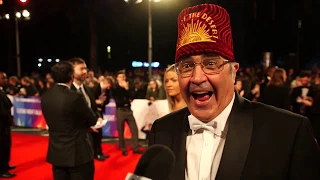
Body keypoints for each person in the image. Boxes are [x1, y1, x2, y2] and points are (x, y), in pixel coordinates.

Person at [148, 4, 320, 180]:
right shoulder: (161, 130)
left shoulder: (288, 133)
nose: (197, 78)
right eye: (186, 66)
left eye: (211, 64)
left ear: (233, 72)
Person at [41, 61, 103, 180]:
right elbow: (92, 120)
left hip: (57, 153)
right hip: (78, 154)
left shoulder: (46, 96)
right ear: (71, 76)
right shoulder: (74, 97)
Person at [68, 58, 109, 161]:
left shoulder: (88, 89)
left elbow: (93, 108)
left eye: (85, 69)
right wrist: (87, 125)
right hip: (75, 140)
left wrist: (98, 118)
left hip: (90, 135)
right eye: (81, 69)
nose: (84, 72)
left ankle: (97, 153)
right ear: (72, 71)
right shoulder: (67, 91)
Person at [112, 71, 142, 156]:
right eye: (120, 77)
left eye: (123, 77)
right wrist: (126, 100)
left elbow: (132, 96)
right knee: (120, 130)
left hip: (129, 110)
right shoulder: (115, 88)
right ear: (117, 78)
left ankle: (136, 148)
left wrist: (127, 88)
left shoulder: (128, 86)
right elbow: (118, 100)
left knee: (134, 129)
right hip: (120, 110)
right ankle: (123, 148)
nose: (122, 78)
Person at [0, 72, 16, 178]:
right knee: (2, 147)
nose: (5, 80)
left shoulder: (2, 90)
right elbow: (2, 111)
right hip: (1, 125)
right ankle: (1, 170)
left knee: (6, 146)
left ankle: (5, 164)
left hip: (4, 125)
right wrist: (10, 119)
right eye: (3, 78)